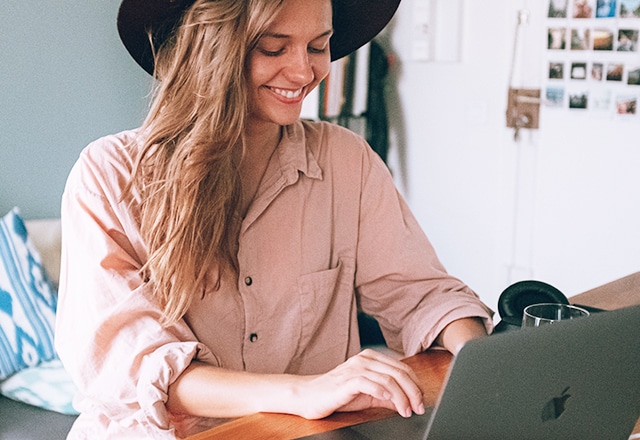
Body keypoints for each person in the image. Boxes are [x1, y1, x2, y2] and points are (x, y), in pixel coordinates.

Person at [55, 0, 494, 438]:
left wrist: (490, 371)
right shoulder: (109, 176)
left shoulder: (347, 161)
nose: (304, 73)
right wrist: (302, 392)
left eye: (318, 46)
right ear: (210, 48)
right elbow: (137, 366)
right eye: (272, 48)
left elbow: (421, 295)